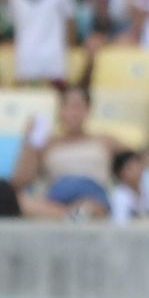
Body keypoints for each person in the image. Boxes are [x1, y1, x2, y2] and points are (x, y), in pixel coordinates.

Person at [9, 85, 123, 218]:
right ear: (60, 111)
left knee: (91, 206)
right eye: (68, 107)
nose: (73, 113)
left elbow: (136, 160)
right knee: (19, 201)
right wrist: (29, 143)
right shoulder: (47, 143)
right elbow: (20, 182)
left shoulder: (105, 141)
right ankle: (71, 215)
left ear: (88, 110)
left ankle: (73, 214)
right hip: (56, 198)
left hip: (92, 196)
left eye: (78, 107)